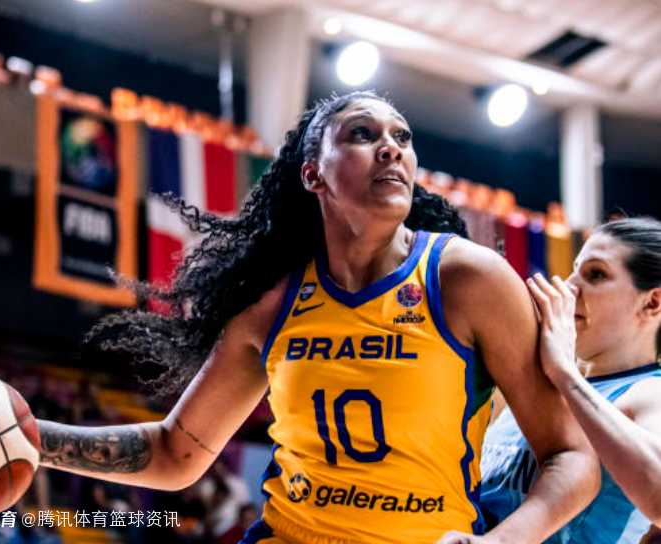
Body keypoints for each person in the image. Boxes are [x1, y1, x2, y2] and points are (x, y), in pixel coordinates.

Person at [34, 91, 600, 544]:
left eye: (402, 137)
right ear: (313, 175)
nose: (391, 148)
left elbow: (572, 457)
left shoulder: (468, 279)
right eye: (363, 134)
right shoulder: (273, 303)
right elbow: (176, 451)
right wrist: (30, 437)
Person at [480, 217, 661, 543]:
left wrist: (564, 372)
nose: (568, 285)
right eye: (575, 270)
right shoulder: (540, 379)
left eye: (596, 274)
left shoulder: (649, 391)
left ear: (652, 302)